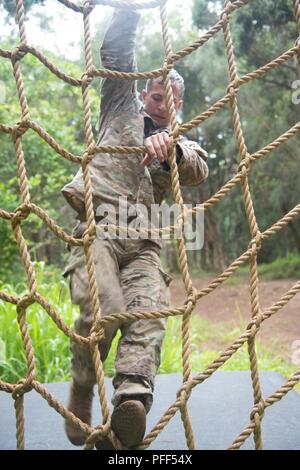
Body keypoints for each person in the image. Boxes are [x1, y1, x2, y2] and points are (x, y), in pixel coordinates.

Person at [62, 6, 208, 449]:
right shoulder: (120, 105)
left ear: (178, 106)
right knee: (104, 307)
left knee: (149, 314)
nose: (157, 103)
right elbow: (116, 54)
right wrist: (130, 10)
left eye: (166, 100)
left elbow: (199, 170)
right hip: (98, 230)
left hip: (143, 244)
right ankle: (83, 389)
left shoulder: (184, 142)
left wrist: (170, 153)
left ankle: (131, 407)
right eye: (154, 94)